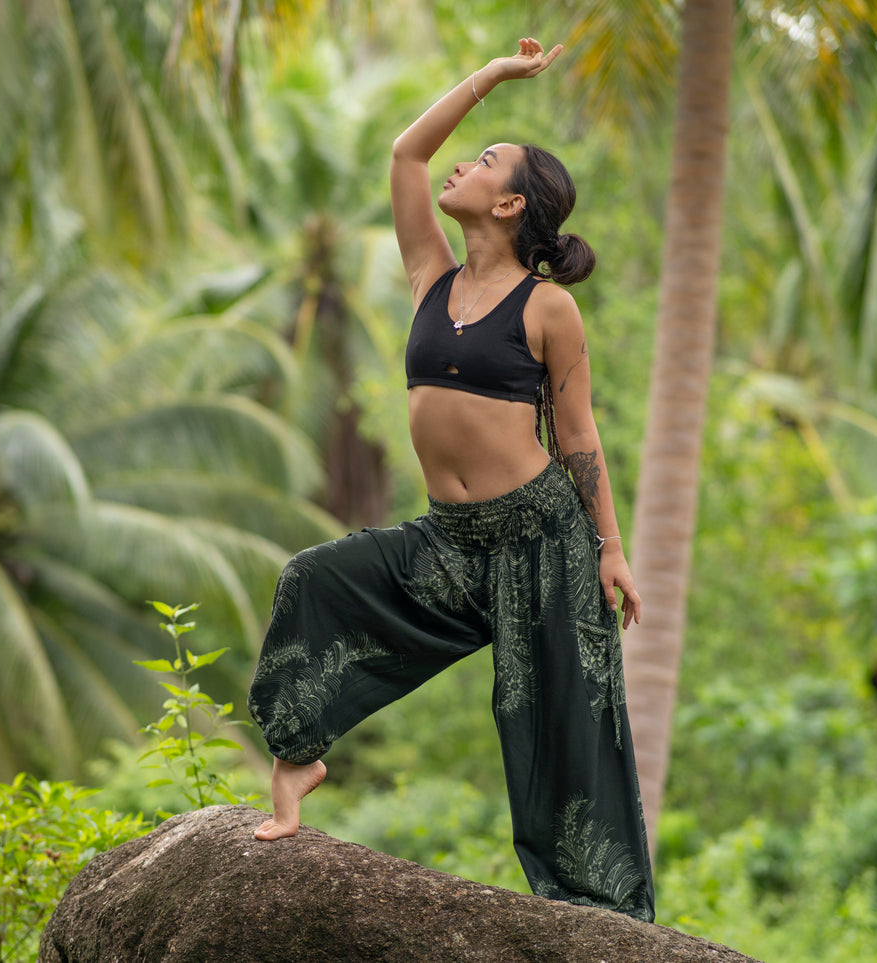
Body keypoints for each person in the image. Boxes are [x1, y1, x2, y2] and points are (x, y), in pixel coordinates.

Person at [246, 37, 655, 921]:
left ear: (508, 204)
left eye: (485, 162)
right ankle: (297, 757)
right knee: (312, 578)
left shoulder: (548, 307)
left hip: (542, 537)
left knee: (555, 722)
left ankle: (597, 912)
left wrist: (610, 550)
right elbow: (406, 153)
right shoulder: (431, 276)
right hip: (449, 542)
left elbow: (579, 436)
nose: (462, 166)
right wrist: (493, 81)